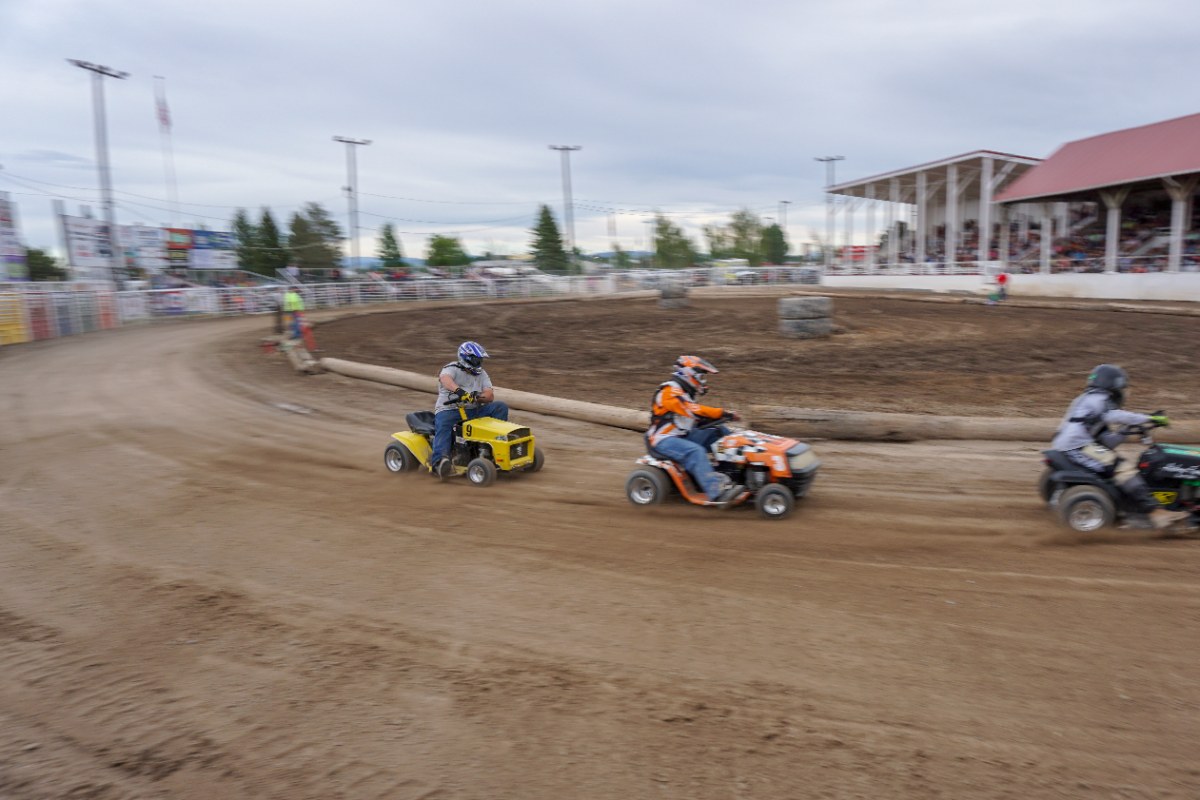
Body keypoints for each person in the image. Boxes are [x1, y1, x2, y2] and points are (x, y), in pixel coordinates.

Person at [1051, 364, 1188, 530]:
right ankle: (1156, 513)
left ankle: (1129, 500)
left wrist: (1124, 432)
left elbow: (1105, 441)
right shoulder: (1100, 399)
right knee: (1123, 468)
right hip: (1077, 446)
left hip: (1070, 444)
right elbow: (1117, 416)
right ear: (1112, 385)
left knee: (1111, 459)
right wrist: (1150, 418)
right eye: (1121, 387)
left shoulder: (1085, 399)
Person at [646, 355, 744, 506]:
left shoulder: (684, 393)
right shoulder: (669, 391)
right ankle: (716, 492)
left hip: (683, 436)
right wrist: (723, 413)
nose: (703, 381)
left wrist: (718, 420)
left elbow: (694, 419)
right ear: (689, 374)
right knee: (696, 451)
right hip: (664, 440)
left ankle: (732, 473)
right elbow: (693, 411)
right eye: (701, 376)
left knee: (720, 433)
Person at [429, 341, 510, 477]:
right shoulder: (451, 368)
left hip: (474, 409)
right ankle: (439, 462)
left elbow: (490, 395)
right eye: (476, 359)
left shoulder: (482, 374)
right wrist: (460, 392)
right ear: (466, 358)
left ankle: (495, 448)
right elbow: (445, 379)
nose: (479, 362)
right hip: (449, 410)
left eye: (480, 359)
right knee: (444, 426)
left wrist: (478, 397)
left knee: (500, 407)